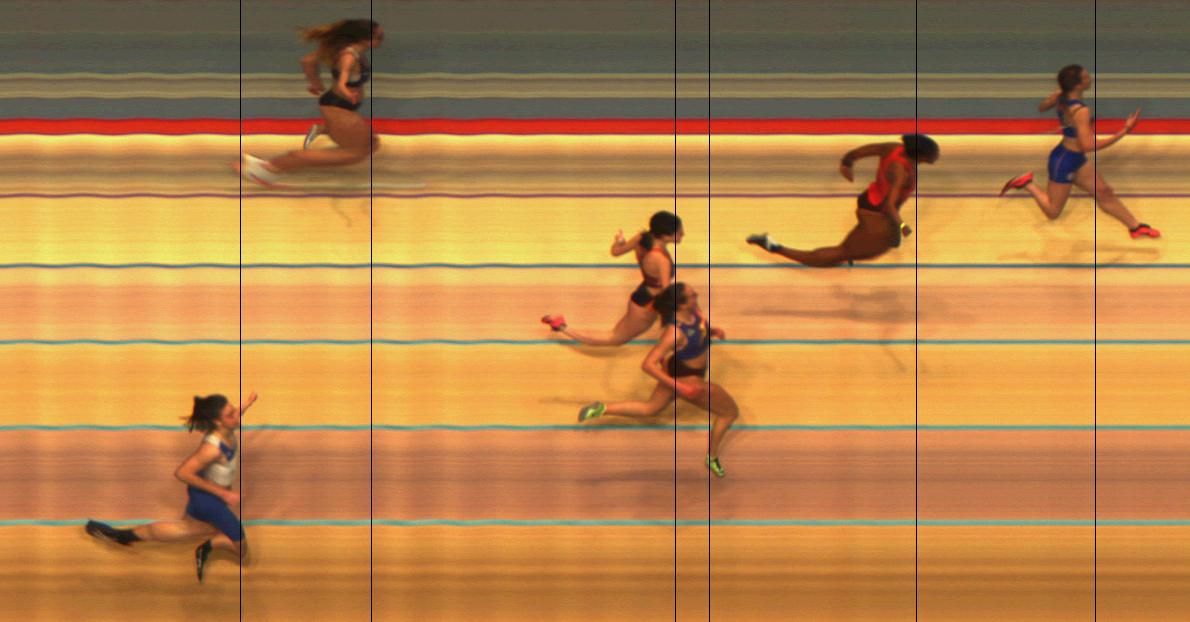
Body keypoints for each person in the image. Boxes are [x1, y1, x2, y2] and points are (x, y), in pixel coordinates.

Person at [85, 392, 257, 582]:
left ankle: (123, 536)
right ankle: (207, 547)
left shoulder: (227, 426)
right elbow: (182, 473)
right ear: (218, 422)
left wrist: (248, 403)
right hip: (210, 501)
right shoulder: (212, 449)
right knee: (241, 549)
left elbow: (235, 413)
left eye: (234, 410)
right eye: (230, 414)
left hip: (205, 495)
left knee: (188, 529)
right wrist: (223, 494)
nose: (236, 415)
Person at [576, 283, 738, 477]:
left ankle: (602, 408)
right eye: (692, 295)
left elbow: (699, 329)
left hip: (676, 368)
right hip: (689, 379)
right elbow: (648, 364)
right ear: (681, 305)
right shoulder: (674, 333)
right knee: (729, 413)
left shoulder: (694, 312)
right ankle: (711, 457)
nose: (696, 295)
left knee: (650, 409)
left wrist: (711, 332)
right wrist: (680, 387)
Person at [999, 64, 1158, 238]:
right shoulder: (1081, 111)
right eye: (1086, 77)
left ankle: (1135, 227)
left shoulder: (1062, 96)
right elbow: (1088, 145)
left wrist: (1056, 95)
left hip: (1076, 159)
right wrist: (1124, 131)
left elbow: (1042, 107)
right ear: (1078, 85)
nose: (1090, 78)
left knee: (1104, 192)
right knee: (1053, 212)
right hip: (1064, 162)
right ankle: (1027, 184)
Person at [746, 134, 939, 266]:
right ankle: (773, 246)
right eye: (930, 157)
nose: (932, 159)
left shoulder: (893, 148)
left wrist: (847, 163)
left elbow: (858, 152)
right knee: (842, 253)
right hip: (878, 212)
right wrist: (903, 226)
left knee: (889, 241)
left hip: (870, 199)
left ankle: (886, 238)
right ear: (920, 156)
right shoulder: (900, 172)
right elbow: (889, 206)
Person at [235, 19, 384, 187]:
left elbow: (308, 60)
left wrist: (315, 83)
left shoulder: (347, 49)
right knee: (358, 152)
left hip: (339, 106)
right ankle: (268, 168)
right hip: (339, 108)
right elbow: (342, 80)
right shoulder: (348, 56)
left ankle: (324, 129)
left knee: (372, 143)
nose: (382, 40)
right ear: (365, 39)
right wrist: (344, 90)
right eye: (379, 37)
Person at [542, 211, 682, 346]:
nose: (683, 235)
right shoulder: (661, 259)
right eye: (679, 232)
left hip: (644, 294)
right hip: (648, 304)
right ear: (665, 236)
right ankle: (562, 326)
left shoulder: (641, 238)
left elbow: (616, 251)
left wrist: (619, 241)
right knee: (614, 338)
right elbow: (667, 294)